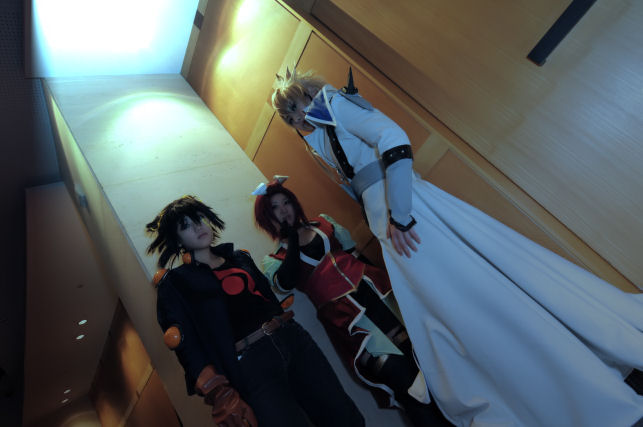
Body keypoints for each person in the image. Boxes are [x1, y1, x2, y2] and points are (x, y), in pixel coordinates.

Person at [270, 67, 643, 426]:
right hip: (392, 227)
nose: (296, 117)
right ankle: (545, 394)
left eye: (296, 106)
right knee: (463, 313)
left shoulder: (336, 105)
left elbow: (394, 139)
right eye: (289, 116)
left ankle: (578, 384)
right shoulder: (320, 134)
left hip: (410, 218)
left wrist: (401, 214)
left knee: (486, 300)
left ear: (307, 93)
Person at [146, 195, 365, 427]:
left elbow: (269, 301)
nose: (198, 226)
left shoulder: (239, 258)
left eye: (199, 218)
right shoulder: (176, 283)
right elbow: (187, 346)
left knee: (341, 415)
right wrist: (215, 389)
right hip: (250, 363)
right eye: (185, 226)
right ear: (177, 239)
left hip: (292, 339)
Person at [253, 177, 451, 426]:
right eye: (275, 207)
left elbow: (358, 257)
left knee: (429, 369)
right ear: (266, 217)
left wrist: (401, 287)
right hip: (349, 322)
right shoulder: (274, 260)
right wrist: (291, 239)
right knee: (403, 381)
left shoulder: (323, 223)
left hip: (379, 298)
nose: (284, 210)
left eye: (286, 202)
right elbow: (285, 282)